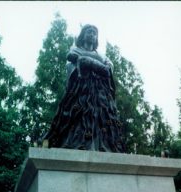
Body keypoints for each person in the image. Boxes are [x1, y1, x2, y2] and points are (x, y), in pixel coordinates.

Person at [44, 24, 125, 152]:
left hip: (100, 94)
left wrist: (90, 63)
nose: (92, 35)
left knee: (101, 118)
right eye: (89, 32)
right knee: (80, 117)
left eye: (94, 33)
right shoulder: (76, 50)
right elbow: (72, 58)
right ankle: (78, 143)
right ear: (83, 35)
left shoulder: (102, 55)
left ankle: (101, 145)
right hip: (82, 91)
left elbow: (109, 68)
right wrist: (95, 65)